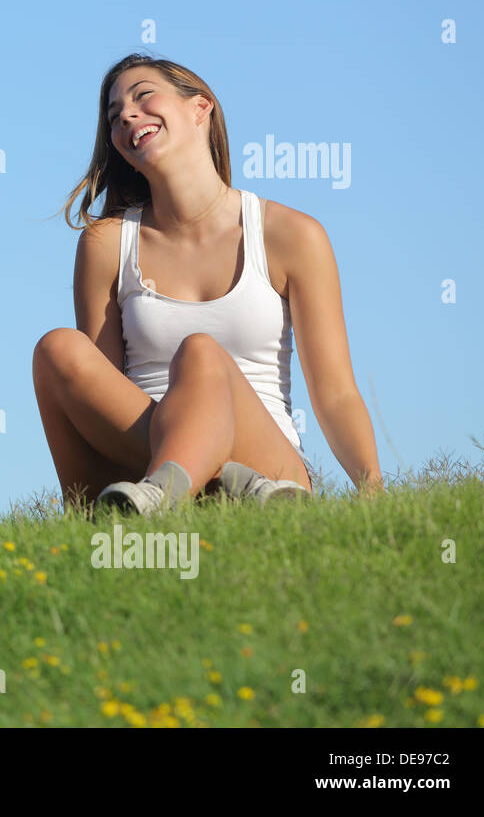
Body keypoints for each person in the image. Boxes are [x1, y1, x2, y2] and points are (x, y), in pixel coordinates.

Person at [32, 55, 383, 515]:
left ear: (201, 108)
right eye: (115, 116)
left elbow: (336, 394)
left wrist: (375, 497)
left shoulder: (291, 234)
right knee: (57, 348)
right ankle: (197, 485)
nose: (128, 116)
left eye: (142, 96)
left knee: (200, 352)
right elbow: (102, 392)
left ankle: (181, 486)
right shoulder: (106, 244)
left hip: (268, 463)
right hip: (142, 464)